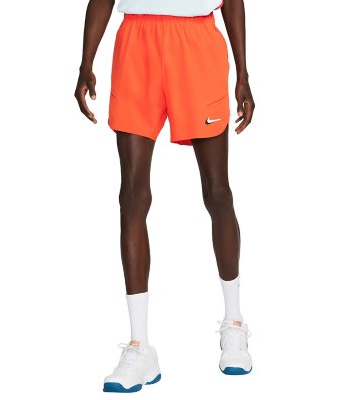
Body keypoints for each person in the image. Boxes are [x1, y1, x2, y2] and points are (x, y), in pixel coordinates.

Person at [74, 0, 255, 393]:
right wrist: (85, 61)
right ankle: (140, 348)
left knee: (217, 192)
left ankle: (234, 323)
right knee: (132, 197)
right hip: (136, 43)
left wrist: (243, 73)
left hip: (196, 41)